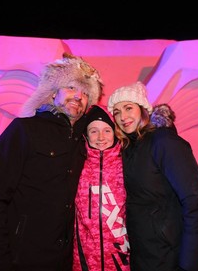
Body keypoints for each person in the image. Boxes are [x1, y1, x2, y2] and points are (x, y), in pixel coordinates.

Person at [0, 53, 104, 271]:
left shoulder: (83, 141)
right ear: (53, 93)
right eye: (71, 87)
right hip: (22, 259)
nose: (78, 96)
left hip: (64, 261)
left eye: (85, 93)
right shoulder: (24, 131)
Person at [107, 81, 198, 271]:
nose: (123, 117)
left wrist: (188, 265)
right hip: (141, 252)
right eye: (116, 112)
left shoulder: (164, 143)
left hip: (167, 254)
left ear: (142, 109)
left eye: (128, 108)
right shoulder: (127, 147)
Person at [73, 104, 130, 271]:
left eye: (106, 130)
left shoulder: (127, 163)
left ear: (115, 132)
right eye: (93, 131)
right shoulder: (77, 164)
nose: (100, 137)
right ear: (86, 135)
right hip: (83, 259)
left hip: (121, 258)